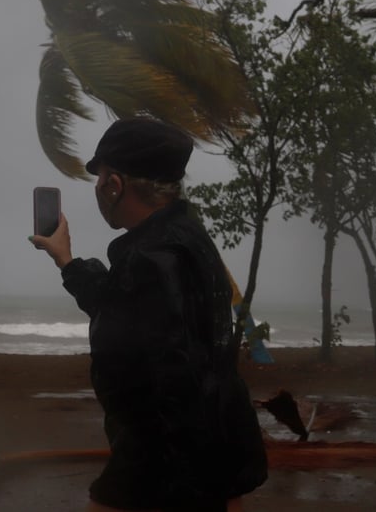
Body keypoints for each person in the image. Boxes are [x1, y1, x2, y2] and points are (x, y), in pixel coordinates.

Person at [30, 118, 268, 512]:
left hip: (166, 456)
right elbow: (121, 306)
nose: (98, 188)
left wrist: (145, 470)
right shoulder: (188, 239)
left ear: (114, 185)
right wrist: (67, 260)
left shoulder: (152, 258)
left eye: (101, 177)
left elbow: (170, 376)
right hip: (220, 442)